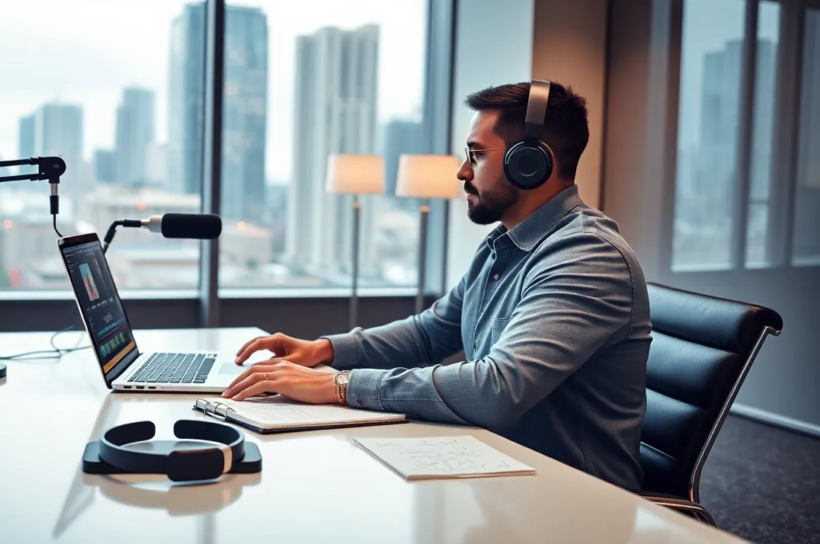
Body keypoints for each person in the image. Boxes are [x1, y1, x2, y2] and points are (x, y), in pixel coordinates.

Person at [224, 81, 651, 491]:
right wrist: (325, 350)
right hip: (499, 467)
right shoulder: (504, 245)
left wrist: (339, 385)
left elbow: (496, 390)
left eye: (476, 155)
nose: (462, 171)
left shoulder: (587, 257)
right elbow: (431, 332)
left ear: (530, 163)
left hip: (574, 500)